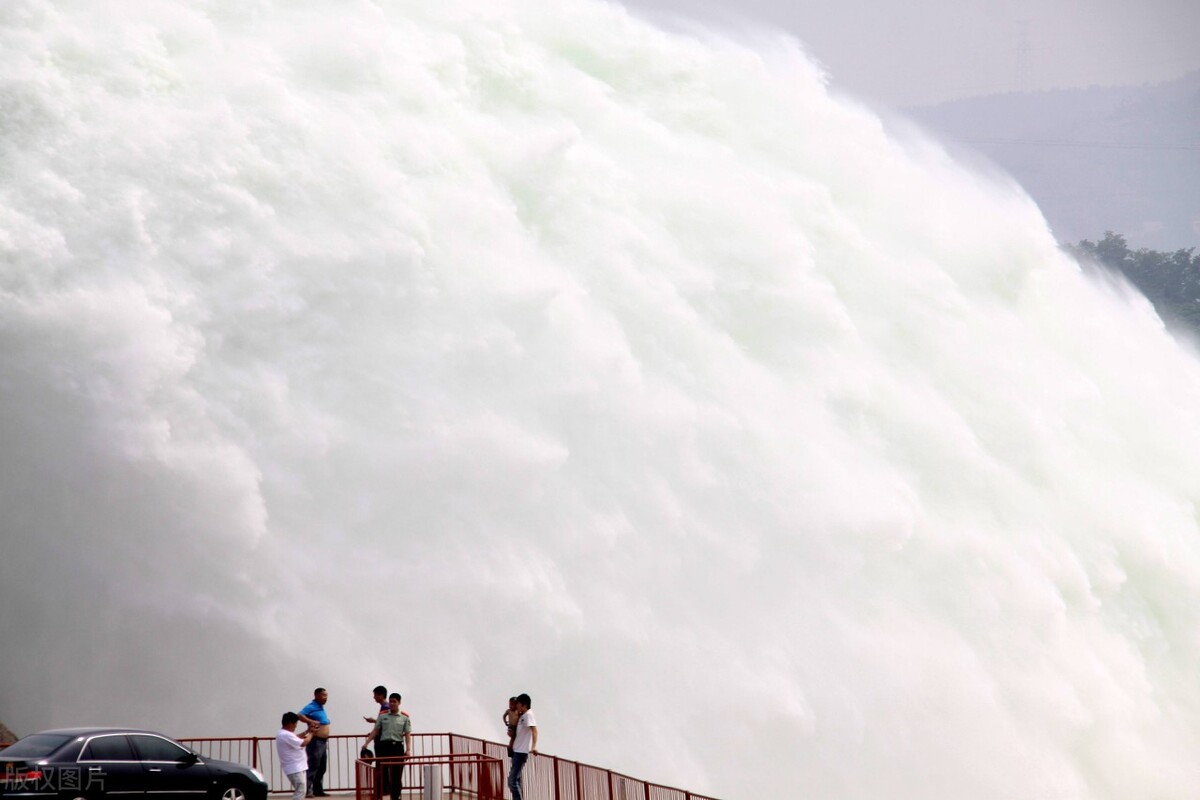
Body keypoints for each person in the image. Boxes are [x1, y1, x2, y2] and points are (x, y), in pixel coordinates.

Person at [362, 693, 412, 800]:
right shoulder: (383, 715)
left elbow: (407, 734)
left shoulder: (404, 717)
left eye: (394, 701)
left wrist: (408, 750)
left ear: (399, 702)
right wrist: (366, 743)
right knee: (381, 772)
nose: (392, 704)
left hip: (397, 747)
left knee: (396, 774)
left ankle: (395, 797)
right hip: (384, 747)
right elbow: (376, 730)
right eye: (390, 701)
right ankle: (379, 796)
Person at [297, 688, 331, 797]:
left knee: (322, 767)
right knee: (313, 766)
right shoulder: (311, 706)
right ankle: (307, 790)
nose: (325, 698)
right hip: (315, 742)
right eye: (323, 695)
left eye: (326, 695)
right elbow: (299, 715)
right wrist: (311, 721)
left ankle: (318, 790)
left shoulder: (320, 708)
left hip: (323, 742)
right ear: (316, 695)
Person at [276, 712, 313, 800]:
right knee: (300, 791)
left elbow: (296, 737)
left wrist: (307, 731)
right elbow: (303, 742)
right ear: (290, 723)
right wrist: (312, 733)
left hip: (297, 767)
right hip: (295, 767)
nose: (296, 726)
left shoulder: (283, 733)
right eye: (295, 723)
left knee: (301, 790)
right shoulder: (286, 734)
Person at [507, 693, 537, 800]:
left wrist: (534, 747)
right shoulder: (523, 716)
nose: (516, 706)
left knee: (512, 781)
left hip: (521, 753)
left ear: (524, 705)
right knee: (516, 781)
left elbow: (534, 731)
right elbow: (519, 733)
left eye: (518, 704)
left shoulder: (528, 715)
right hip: (517, 751)